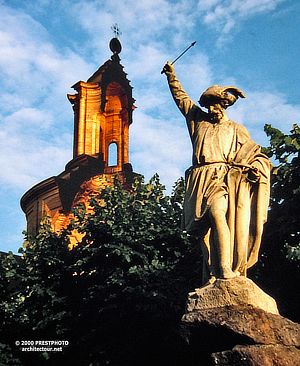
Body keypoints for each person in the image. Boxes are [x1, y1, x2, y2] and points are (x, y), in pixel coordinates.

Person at [163, 61, 272, 284]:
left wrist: (255, 168)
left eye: (216, 105)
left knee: (217, 214)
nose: (212, 109)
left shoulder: (236, 129)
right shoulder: (197, 121)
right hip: (198, 178)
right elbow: (181, 99)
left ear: (224, 105)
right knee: (203, 232)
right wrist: (171, 76)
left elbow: (255, 153)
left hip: (221, 178)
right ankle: (212, 272)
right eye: (209, 105)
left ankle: (225, 268)